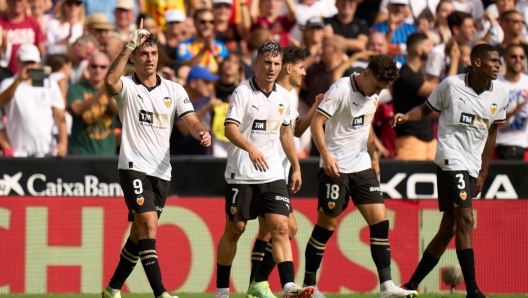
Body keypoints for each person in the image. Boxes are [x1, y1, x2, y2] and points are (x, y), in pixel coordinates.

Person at [102, 29, 211, 298]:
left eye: (153, 54)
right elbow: (109, 81)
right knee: (149, 223)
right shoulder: (127, 86)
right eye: (143, 54)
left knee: (140, 233)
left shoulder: (174, 90)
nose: (149, 59)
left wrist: (200, 131)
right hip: (133, 165)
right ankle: (160, 293)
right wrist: (129, 45)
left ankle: (113, 289)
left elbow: (191, 119)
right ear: (135, 58)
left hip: (162, 171)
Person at [392, 44, 508, 298]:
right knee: (466, 219)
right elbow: (426, 108)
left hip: (473, 164)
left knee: (450, 227)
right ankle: (473, 291)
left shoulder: (500, 93)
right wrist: (406, 117)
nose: (498, 65)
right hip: (449, 157)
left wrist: (484, 173)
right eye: (493, 60)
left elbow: (491, 133)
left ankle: (411, 285)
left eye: (499, 61)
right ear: (477, 62)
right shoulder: (451, 85)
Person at [304, 54, 417, 298]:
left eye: (382, 88)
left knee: (380, 222)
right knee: (326, 227)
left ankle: (386, 286)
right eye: (376, 85)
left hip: (362, 166)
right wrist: (326, 156)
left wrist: (374, 157)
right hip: (336, 168)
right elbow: (316, 123)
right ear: (366, 74)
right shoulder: (341, 90)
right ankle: (308, 286)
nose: (377, 91)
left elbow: (366, 126)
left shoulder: (373, 94)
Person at [215, 41, 313, 298]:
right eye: (267, 63)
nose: (271, 68)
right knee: (235, 229)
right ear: (257, 63)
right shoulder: (242, 93)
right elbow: (229, 128)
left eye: (276, 64)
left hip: (271, 174)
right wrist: (251, 148)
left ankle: (288, 285)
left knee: (282, 227)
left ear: (282, 66)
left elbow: (285, 133)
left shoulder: (284, 96)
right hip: (241, 173)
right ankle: (222, 291)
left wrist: (296, 166)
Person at [246, 45, 325, 298]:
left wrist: (315, 107)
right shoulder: (266, 94)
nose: (304, 73)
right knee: (285, 228)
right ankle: (258, 284)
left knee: (271, 230)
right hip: (259, 171)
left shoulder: (287, 98)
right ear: (288, 68)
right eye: (301, 68)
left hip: (275, 172)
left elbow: (295, 130)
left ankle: (256, 285)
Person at [0, 44, 67, 157]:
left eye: (33, 62)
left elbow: (60, 115)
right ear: (18, 61)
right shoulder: (8, 83)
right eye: (26, 62)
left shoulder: (50, 83)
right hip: (18, 152)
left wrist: (63, 143)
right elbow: (2, 101)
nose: (30, 66)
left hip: (47, 151)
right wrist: (19, 79)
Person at [392, 33, 437, 161]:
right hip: (411, 141)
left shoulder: (418, 73)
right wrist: (454, 60)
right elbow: (441, 90)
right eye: (428, 46)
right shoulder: (406, 75)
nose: (431, 49)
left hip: (429, 141)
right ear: (418, 50)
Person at [68, 52, 118, 155]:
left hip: (107, 152)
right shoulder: (76, 88)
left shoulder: (113, 90)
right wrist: (100, 92)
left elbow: (118, 112)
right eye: (94, 66)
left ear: (108, 69)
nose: (98, 70)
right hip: (80, 152)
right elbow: (77, 109)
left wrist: (109, 91)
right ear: (88, 68)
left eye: (102, 67)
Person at [170, 65, 221, 155]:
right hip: (181, 157)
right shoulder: (178, 98)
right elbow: (184, 130)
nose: (210, 86)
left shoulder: (207, 97)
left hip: (203, 154)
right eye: (206, 82)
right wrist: (205, 108)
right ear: (193, 83)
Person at [495, 44, 528, 159]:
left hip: (523, 147)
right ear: (505, 58)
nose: (518, 60)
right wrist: (514, 111)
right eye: (514, 56)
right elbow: (492, 120)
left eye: (521, 57)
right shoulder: (495, 84)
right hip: (498, 146)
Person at [176, 8, 229, 74]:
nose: (207, 25)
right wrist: (204, 49)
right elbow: (185, 67)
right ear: (195, 24)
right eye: (203, 22)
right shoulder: (184, 45)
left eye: (211, 22)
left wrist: (212, 50)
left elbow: (227, 68)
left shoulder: (220, 46)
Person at [425, 11, 471, 84]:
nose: (473, 30)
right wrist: (455, 60)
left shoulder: (471, 50)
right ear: (456, 30)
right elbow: (431, 84)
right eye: (469, 27)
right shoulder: (438, 52)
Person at [0, 0, 46, 73]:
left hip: (30, 75)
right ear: (7, 1)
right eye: (13, 0)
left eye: (20, 0)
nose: (17, 2)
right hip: (5, 75)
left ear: (26, 2)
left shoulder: (33, 23)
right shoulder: (1, 24)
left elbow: (42, 53)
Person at [371, 0, 417, 64]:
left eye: (402, 5)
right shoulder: (377, 28)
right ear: (388, 6)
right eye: (396, 5)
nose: (399, 8)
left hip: (406, 69)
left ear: (406, 8)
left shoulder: (413, 28)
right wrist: (390, 31)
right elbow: (379, 51)